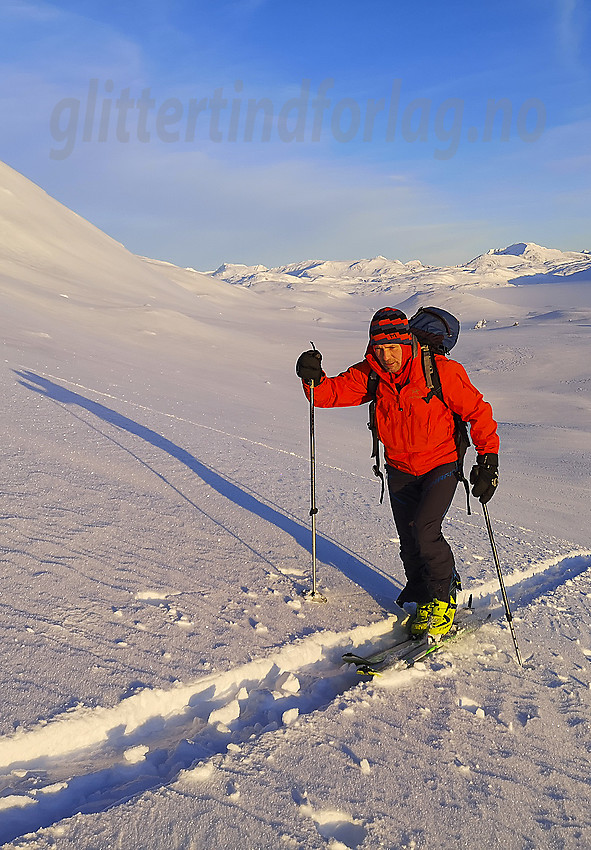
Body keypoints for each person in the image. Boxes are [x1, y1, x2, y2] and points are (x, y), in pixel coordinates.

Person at [295, 307, 499, 638]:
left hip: (440, 463)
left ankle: (442, 599)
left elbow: (478, 410)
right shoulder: (372, 374)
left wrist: (488, 459)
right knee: (409, 542)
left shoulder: (440, 371)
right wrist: (312, 380)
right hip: (400, 468)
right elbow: (331, 393)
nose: (387, 356)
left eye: (393, 348)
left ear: (407, 343)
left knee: (425, 531)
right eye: (380, 348)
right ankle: (430, 589)